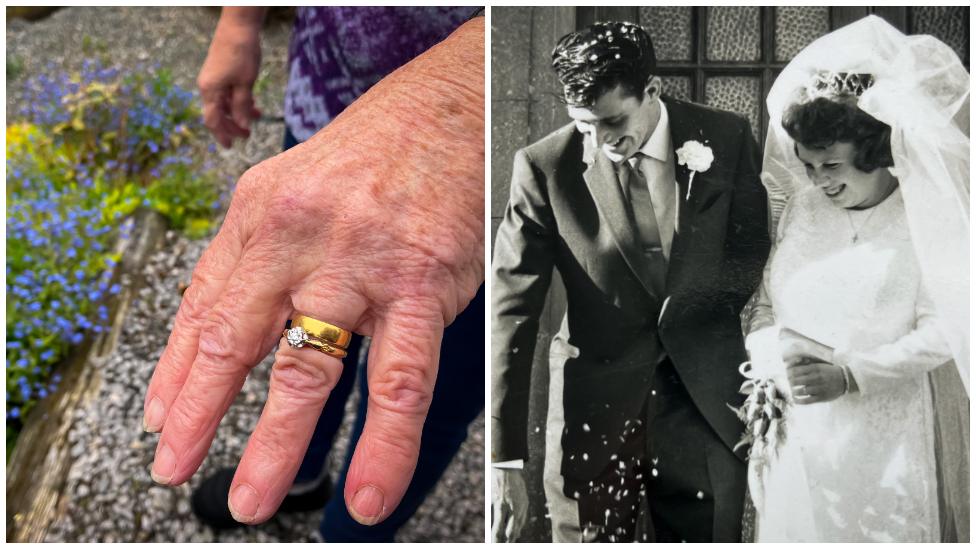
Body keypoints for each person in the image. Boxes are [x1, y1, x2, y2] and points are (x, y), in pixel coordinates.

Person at [141, 6, 485, 541]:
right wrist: (240, 21)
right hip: (328, 102)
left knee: (417, 384)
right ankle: (302, 477)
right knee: (310, 336)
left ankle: (353, 533)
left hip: (486, 163)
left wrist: (468, 91)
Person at [491, 21, 770, 542]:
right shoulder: (542, 168)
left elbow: (749, 252)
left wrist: (695, 322)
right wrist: (502, 460)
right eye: (583, 125)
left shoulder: (728, 139)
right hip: (592, 407)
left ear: (653, 91)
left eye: (612, 121)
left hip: (704, 406)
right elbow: (510, 309)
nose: (600, 140)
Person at [743, 15, 970, 542]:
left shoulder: (924, 218)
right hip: (797, 428)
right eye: (809, 165)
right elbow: (767, 303)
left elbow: (948, 330)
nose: (819, 181)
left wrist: (851, 375)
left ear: (876, 155)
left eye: (834, 167)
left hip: (884, 431)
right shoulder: (801, 209)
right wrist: (772, 364)